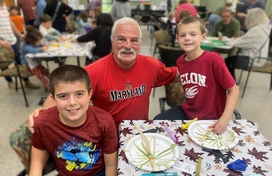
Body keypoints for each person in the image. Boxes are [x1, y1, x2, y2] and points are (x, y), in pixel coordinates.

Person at [10, 17, 179, 174]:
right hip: (103, 142)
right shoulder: (95, 71)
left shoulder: (152, 66)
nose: (128, 45)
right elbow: (65, 89)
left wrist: (201, 62)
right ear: (112, 41)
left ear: (140, 43)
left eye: (134, 40)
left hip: (138, 136)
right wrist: (43, 110)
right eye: (121, 39)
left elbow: (176, 74)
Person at [154, 16, 239, 135]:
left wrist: (225, 118)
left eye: (193, 34)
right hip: (189, 111)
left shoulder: (214, 60)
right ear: (177, 39)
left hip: (211, 117)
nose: (187, 38)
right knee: (157, 122)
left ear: (203, 37)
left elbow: (233, 90)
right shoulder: (180, 61)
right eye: (183, 35)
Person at [29, 65, 118, 176]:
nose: (72, 102)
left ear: (90, 94)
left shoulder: (105, 121)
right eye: (63, 96)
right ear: (53, 98)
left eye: (79, 94)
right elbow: (37, 162)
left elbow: (111, 165)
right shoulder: (42, 123)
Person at [222, 8, 270, 80]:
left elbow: (238, 43)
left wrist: (224, 39)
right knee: (229, 60)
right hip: (259, 58)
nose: (245, 20)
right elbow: (243, 41)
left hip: (252, 59)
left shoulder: (257, 30)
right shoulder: (264, 29)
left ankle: (232, 85)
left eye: (246, 18)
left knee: (226, 62)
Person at [0, 0, 39, 89]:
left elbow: (9, 22)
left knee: (19, 60)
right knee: (4, 63)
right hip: (2, 41)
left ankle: (26, 82)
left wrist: (19, 34)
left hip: (12, 39)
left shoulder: (4, 5)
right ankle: (10, 82)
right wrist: (1, 41)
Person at [21, 26, 51, 91]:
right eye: (38, 42)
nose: (39, 43)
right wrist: (42, 48)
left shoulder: (32, 43)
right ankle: (50, 89)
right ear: (32, 41)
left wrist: (42, 45)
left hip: (35, 64)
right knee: (42, 77)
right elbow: (33, 50)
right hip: (28, 66)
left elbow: (38, 46)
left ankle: (55, 83)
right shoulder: (26, 46)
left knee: (47, 72)